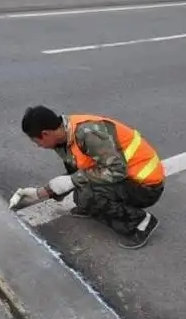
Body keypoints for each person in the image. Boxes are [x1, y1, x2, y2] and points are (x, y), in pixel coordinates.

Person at [9, 105, 165, 249]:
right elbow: (76, 172)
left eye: (36, 141)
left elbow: (116, 170)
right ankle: (93, 206)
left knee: (87, 195)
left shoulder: (88, 134)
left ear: (45, 134)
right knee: (81, 193)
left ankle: (140, 221)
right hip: (124, 178)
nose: (37, 146)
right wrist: (39, 193)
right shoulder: (64, 137)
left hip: (145, 186)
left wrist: (73, 181)